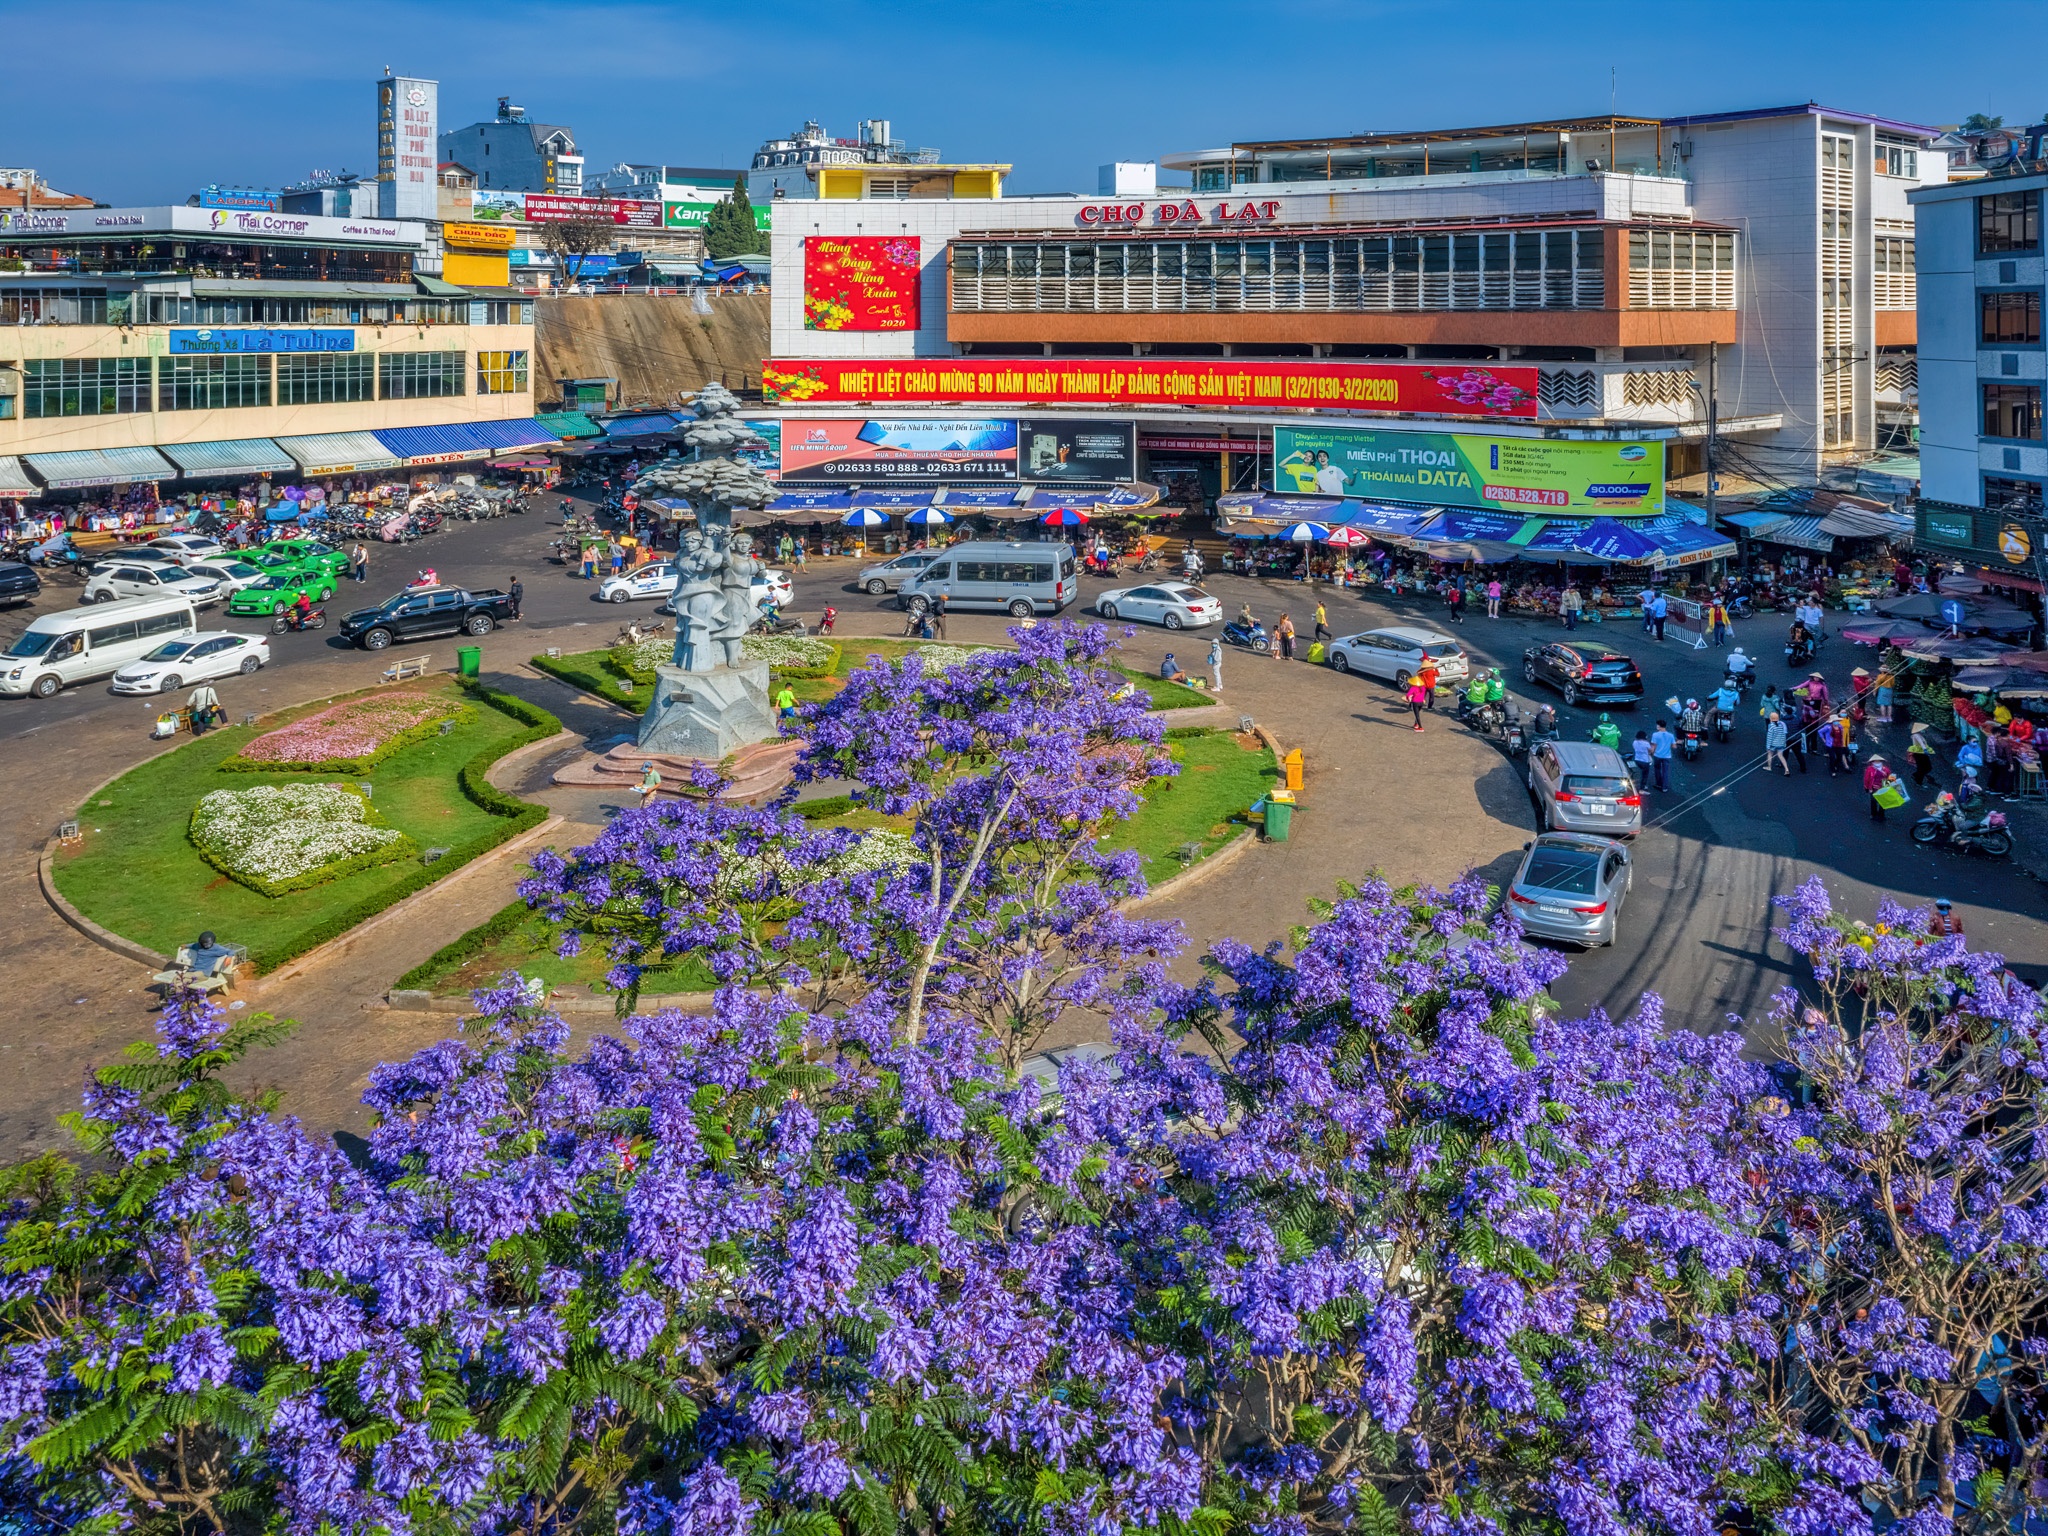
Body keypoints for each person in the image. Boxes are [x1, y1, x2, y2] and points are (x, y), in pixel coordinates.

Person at [1864, 755, 1899, 823]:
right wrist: (1867, 787)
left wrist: (1892, 783)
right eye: (1875, 761)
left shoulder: (1886, 769)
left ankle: (1881, 815)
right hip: (1873, 788)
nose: (1877, 762)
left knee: (1883, 802)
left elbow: (1890, 778)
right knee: (1873, 801)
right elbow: (1866, 779)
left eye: (1878, 761)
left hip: (1883, 787)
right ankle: (1873, 814)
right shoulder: (1869, 769)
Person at [1650, 719, 1675, 791]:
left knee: (1657, 769)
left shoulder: (1655, 735)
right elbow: (1674, 746)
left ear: (1659, 726)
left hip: (1657, 755)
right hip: (1667, 756)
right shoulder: (1671, 735)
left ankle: (1658, 783)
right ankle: (1665, 787)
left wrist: (1651, 753)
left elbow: (1653, 745)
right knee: (1665, 771)